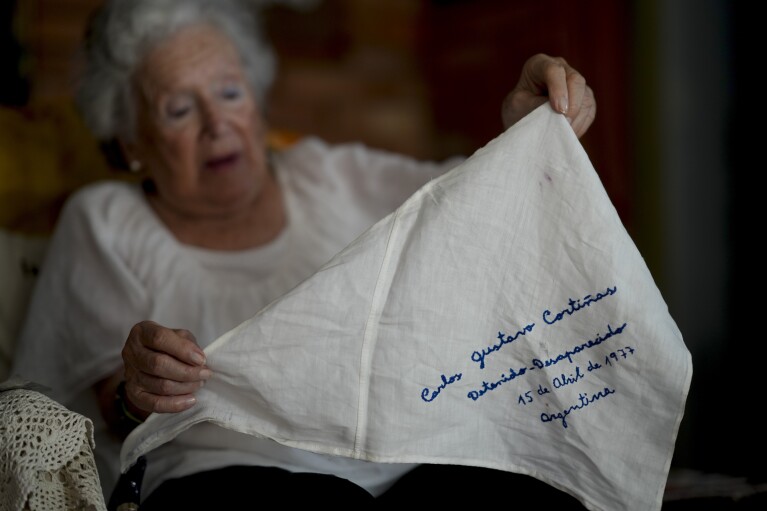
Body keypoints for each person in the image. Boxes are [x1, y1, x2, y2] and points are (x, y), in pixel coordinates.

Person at [11, 0, 596, 507]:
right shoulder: (104, 220)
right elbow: (107, 410)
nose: (218, 124)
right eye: (179, 110)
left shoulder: (328, 175)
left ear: (258, 104)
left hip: (397, 461)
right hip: (223, 480)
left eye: (230, 92)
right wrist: (138, 391)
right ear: (131, 139)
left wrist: (526, 130)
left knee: (532, 485)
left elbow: (470, 199)